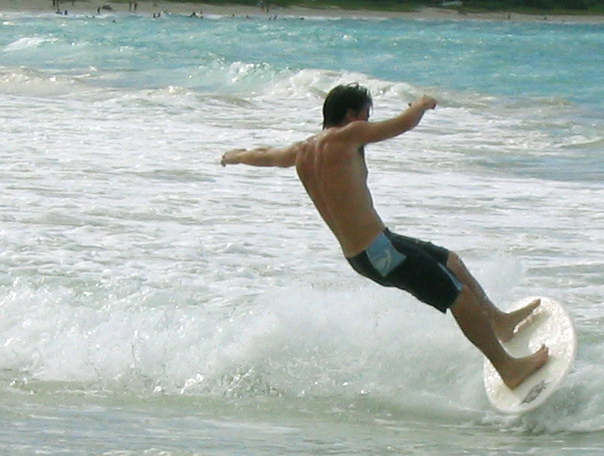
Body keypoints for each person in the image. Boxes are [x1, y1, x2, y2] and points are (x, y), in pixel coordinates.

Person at [220, 82, 548, 390]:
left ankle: (499, 323)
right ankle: (509, 369)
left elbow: (263, 155)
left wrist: (235, 156)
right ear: (351, 115)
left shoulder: (301, 151)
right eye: (366, 114)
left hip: (370, 249)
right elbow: (402, 124)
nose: (367, 121)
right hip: (379, 252)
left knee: (450, 260)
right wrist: (422, 104)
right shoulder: (349, 135)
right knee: (457, 296)